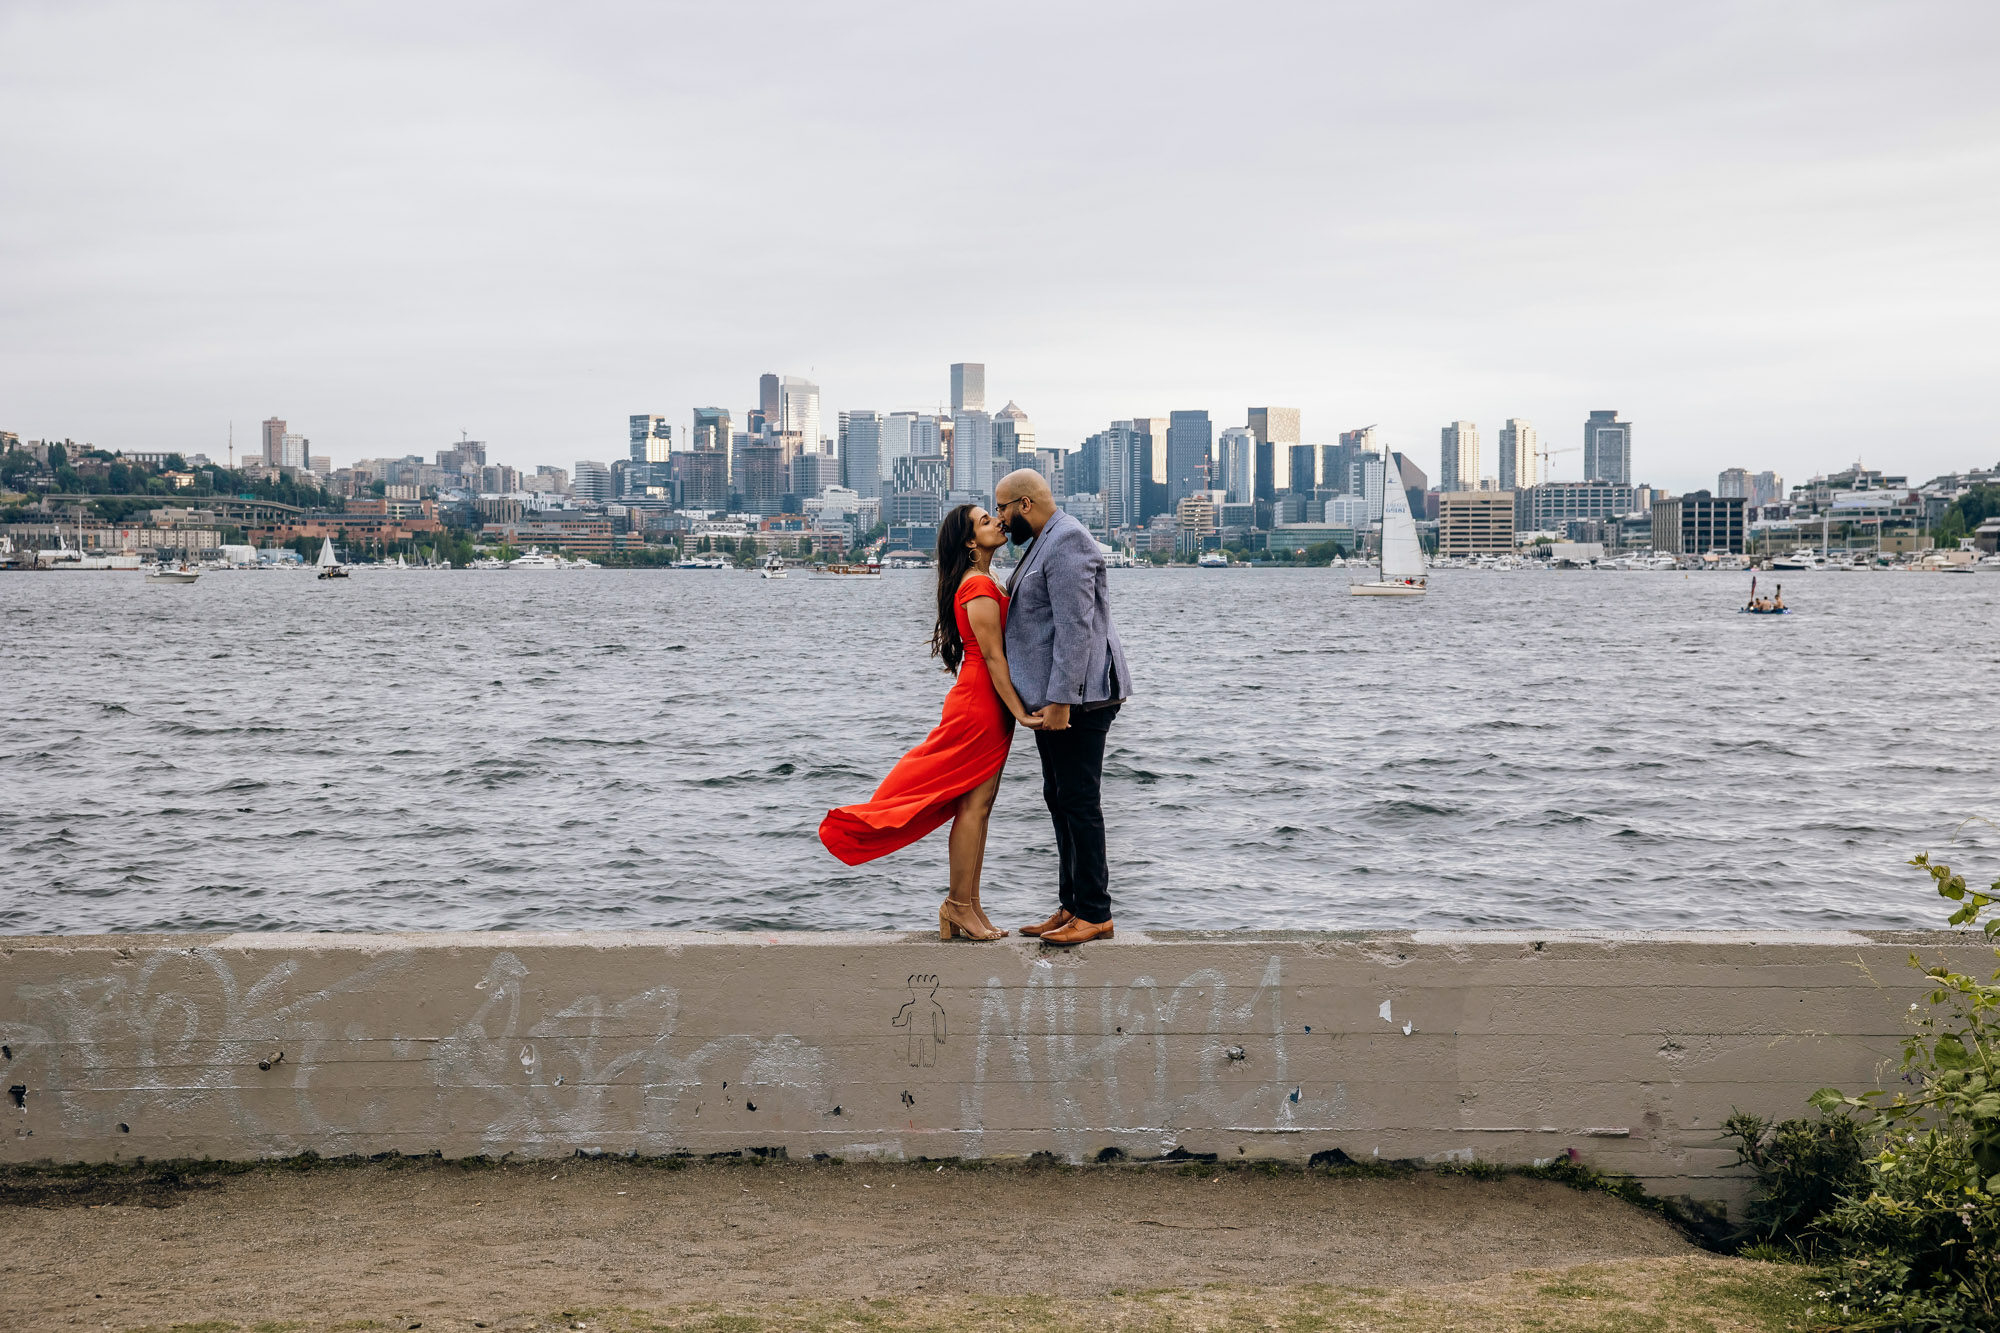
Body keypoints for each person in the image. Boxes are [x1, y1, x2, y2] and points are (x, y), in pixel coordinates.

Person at [818, 504, 1044, 941]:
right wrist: (1018, 710)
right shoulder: (977, 584)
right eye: (985, 521)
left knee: (979, 807)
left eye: (994, 516)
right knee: (973, 808)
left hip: (985, 700)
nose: (998, 521)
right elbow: (994, 656)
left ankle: (969, 906)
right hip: (981, 702)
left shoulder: (984, 579)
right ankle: (958, 905)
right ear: (969, 542)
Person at [993, 468, 1132, 947]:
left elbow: (1076, 629)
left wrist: (1060, 701)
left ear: (1024, 505)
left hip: (1080, 698)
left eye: (1004, 509)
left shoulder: (1067, 540)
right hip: (1058, 697)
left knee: (1078, 800)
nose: (1001, 519)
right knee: (1059, 797)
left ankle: (1096, 912)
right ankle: (1072, 903)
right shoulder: (1043, 541)